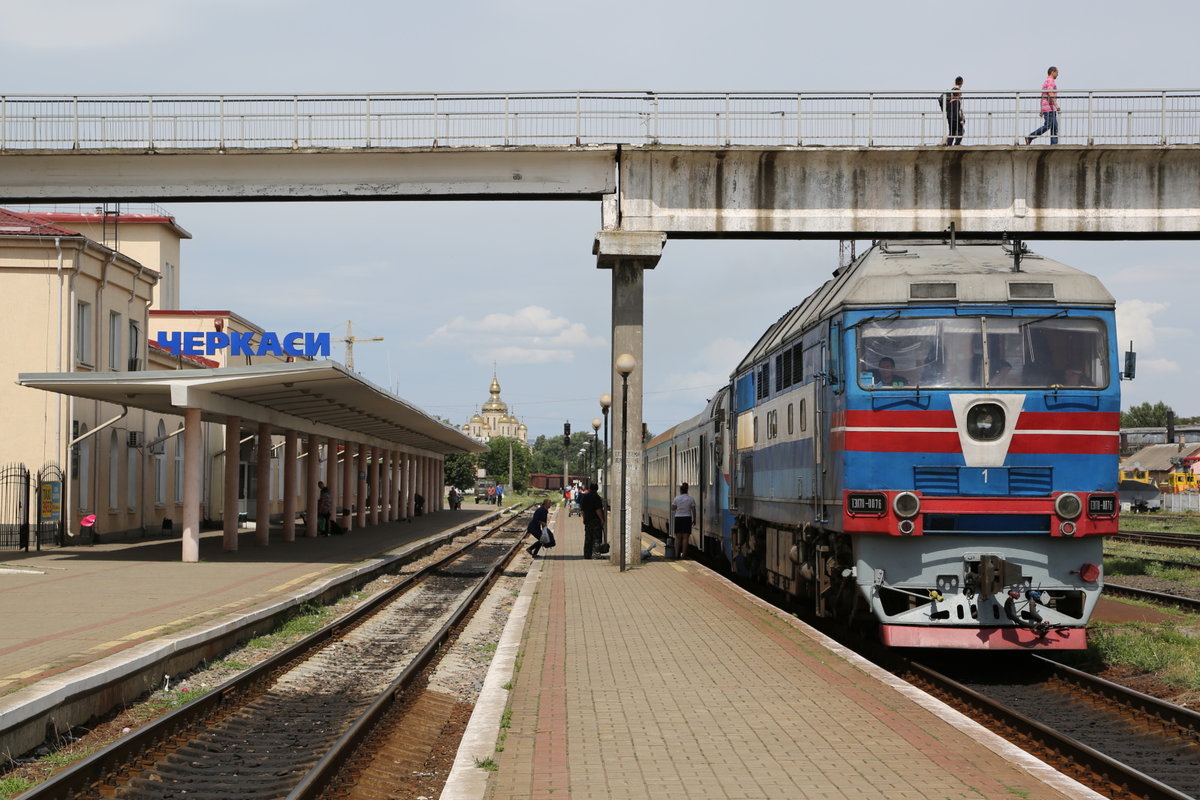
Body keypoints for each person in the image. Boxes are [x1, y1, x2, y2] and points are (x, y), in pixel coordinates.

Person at [1025, 66, 1060, 145]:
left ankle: (1054, 144)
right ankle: (1030, 137)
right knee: (1048, 125)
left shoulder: (1046, 81)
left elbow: (1042, 96)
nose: (1058, 75)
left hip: (1048, 108)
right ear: (1053, 72)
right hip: (1049, 108)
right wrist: (1056, 104)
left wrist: (1041, 109)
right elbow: (1050, 93)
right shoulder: (1050, 81)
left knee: (1054, 126)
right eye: (1057, 72)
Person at [578, 482, 606, 559]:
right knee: (596, 537)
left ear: (590, 488)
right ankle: (596, 554)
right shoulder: (596, 497)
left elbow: (582, 510)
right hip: (595, 520)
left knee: (588, 537)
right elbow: (598, 509)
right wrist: (602, 519)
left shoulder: (585, 497)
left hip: (587, 520)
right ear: (597, 489)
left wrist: (584, 519)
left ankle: (587, 554)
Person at [670, 482, 697, 560]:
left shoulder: (677, 498)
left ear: (681, 491)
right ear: (687, 490)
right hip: (687, 518)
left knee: (678, 538)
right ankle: (684, 555)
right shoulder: (691, 499)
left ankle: (676, 555)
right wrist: (694, 519)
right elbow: (693, 510)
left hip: (678, 518)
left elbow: (673, 508)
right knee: (685, 538)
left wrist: (679, 506)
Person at [945, 76, 965, 146]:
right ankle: (956, 145)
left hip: (949, 115)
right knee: (961, 131)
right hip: (955, 116)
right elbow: (956, 110)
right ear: (961, 82)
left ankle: (948, 146)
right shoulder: (957, 98)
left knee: (952, 132)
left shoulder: (951, 91)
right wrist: (960, 119)